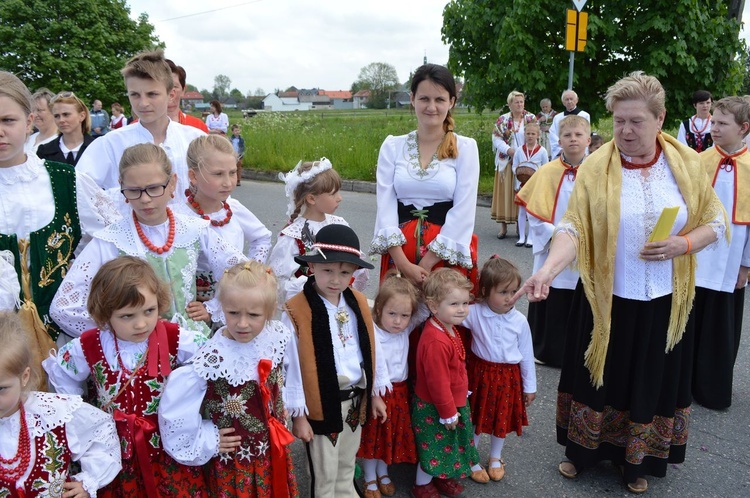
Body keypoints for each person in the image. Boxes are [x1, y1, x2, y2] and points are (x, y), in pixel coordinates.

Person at [516, 72, 726, 494]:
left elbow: (715, 222)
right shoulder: (596, 166)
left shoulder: (686, 163)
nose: (625, 131)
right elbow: (572, 228)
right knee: (596, 379)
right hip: (604, 298)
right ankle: (583, 453)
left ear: (660, 118)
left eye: (636, 122)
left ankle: (637, 461)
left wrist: (683, 244)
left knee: (648, 378)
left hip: (664, 300)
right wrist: (547, 270)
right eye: (618, 122)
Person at [44, 256, 208, 497]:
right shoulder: (91, 344)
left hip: (166, 448)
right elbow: (63, 375)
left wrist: (186, 399)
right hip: (115, 452)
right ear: (105, 314)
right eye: (127, 316)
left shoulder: (174, 337)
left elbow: (211, 360)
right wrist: (81, 415)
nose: (141, 324)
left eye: (149, 311)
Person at [50, 143, 247, 339]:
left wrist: (212, 307)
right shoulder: (112, 240)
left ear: (172, 183)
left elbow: (241, 271)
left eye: (154, 188)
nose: (145, 199)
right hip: (139, 355)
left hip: (191, 342)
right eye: (134, 190)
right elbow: (63, 307)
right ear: (122, 187)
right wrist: (122, 329)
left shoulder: (193, 229)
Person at [0, 71, 120, 382]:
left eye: (7, 121)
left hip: (63, 343)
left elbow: (114, 242)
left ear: (29, 123)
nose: (0, 132)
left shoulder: (65, 180)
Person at [159, 261, 300, 497]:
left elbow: (285, 375)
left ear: (270, 309)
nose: (242, 323)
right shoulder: (212, 356)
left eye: (254, 315)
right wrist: (208, 438)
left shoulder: (277, 336)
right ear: (221, 307)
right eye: (233, 313)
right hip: (235, 461)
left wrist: (284, 408)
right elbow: (176, 412)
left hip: (271, 450)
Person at [283, 224, 388, 498]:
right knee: (324, 472)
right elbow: (291, 367)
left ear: (354, 273)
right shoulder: (297, 310)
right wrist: (299, 415)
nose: (335, 280)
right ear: (312, 267)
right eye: (327, 270)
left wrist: (375, 393)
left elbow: (374, 349)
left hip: (354, 402)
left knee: (346, 464)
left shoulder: (359, 303)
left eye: (344, 273)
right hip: (320, 404)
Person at [372, 63, 480, 290]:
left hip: (444, 258)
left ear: (451, 102)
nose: (432, 107)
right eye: (424, 99)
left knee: (440, 322)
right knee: (397, 321)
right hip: (399, 256)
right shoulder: (392, 146)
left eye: (439, 100)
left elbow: (464, 210)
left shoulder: (465, 148)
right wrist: (403, 264)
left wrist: (428, 261)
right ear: (412, 99)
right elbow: (385, 205)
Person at [0, 312, 121, 496]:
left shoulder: (54, 413)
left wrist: (88, 482)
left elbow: (102, 431)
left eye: (1, 389)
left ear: (24, 377)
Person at [76, 50, 205, 204]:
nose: (143, 103)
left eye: (152, 94)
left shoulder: (195, 140)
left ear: (170, 95)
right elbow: (80, 191)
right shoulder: (110, 144)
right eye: (135, 95)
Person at [516, 115, 591, 367]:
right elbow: (534, 213)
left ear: (588, 139)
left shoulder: (597, 173)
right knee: (551, 293)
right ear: (559, 140)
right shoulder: (547, 171)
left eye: (578, 135)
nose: (573, 140)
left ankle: (578, 349)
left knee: (578, 296)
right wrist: (556, 234)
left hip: (584, 246)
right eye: (568, 136)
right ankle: (544, 349)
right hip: (550, 245)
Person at [691, 96, 750, 410]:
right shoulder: (699, 161)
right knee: (691, 318)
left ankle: (712, 388)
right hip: (697, 254)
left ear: (743, 128)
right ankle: (683, 383)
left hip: (730, 259)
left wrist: (745, 265)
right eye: (712, 122)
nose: (714, 128)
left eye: (722, 124)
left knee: (721, 323)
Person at [462, 257, 536, 484]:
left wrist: (530, 386)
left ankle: (495, 457)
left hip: (508, 377)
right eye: (503, 292)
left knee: (500, 418)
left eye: (514, 291)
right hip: (480, 374)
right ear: (485, 291)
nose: (510, 297)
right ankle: (471, 458)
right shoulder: (474, 312)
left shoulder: (520, 321)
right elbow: (449, 314)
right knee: (476, 416)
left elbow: (526, 354)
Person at [358, 272, 429, 498]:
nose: (398, 321)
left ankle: (383, 470)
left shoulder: (405, 328)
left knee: (390, 435)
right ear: (378, 309)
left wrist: (424, 285)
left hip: (399, 392)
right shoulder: (374, 331)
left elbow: (426, 310)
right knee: (374, 436)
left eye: (404, 315)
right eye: (392, 314)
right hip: (378, 393)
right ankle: (369, 477)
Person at [176, 134, 271, 303]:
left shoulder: (233, 208)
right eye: (218, 174)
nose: (228, 182)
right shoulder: (180, 217)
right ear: (193, 176)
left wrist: (250, 271)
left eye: (233, 172)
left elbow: (261, 238)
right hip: (196, 307)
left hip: (235, 302)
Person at [411, 268, 480, 498]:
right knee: (434, 447)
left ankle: (441, 476)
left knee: (449, 444)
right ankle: (422, 484)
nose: (461, 309)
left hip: (451, 402)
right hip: (437, 406)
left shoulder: (447, 327)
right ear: (433, 306)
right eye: (454, 304)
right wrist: (448, 412)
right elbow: (437, 382)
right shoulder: (436, 340)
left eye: (464, 303)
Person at [269, 158, 367, 307]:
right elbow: (279, 281)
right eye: (333, 194)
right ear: (312, 198)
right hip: (308, 308)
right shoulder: (293, 235)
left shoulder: (339, 224)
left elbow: (357, 265)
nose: (339, 198)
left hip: (339, 303)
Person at [490, 91, 536, 239]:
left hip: (525, 162)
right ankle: (503, 227)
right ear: (510, 104)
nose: (520, 104)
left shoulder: (530, 118)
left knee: (521, 193)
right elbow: (497, 139)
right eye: (516, 102)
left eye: (522, 102)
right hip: (506, 161)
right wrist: (509, 150)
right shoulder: (503, 119)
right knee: (505, 193)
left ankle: (519, 227)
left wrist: (528, 153)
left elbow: (536, 136)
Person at [511, 122, 548, 247]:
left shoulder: (542, 151)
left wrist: (536, 174)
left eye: (533, 134)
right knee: (521, 211)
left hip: (535, 185)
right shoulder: (519, 150)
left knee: (531, 212)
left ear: (538, 135)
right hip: (522, 184)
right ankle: (522, 237)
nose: (530, 136)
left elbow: (546, 167)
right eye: (528, 133)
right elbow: (514, 165)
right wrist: (518, 172)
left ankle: (531, 238)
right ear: (524, 134)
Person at [37, 91, 95, 167]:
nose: (61, 120)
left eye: (66, 114)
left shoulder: (96, 148)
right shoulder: (45, 151)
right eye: (57, 116)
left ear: (82, 116)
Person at [164, 59, 209, 133]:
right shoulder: (140, 127)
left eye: (174, 86)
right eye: (164, 87)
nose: (170, 92)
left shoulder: (198, 127)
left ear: (183, 90)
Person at [548, 89, 591, 158]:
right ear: (563, 102)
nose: (569, 101)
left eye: (571, 99)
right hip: (562, 153)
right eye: (566, 99)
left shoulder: (584, 115)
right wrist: (561, 149)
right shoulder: (558, 117)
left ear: (576, 100)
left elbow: (586, 133)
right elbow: (553, 134)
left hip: (580, 152)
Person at [24, 88, 58, 155]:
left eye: (40, 110)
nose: (35, 115)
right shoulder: (28, 140)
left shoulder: (60, 143)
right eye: (33, 110)